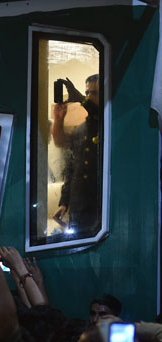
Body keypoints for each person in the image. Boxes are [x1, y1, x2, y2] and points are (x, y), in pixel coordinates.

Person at [52, 74, 101, 234]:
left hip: (100, 208)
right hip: (78, 206)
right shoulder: (80, 130)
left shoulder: (108, 125)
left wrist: (80, 98)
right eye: (87, 93)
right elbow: (71, 169)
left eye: (94, 93)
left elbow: (99, 114)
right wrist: (64, 203)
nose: (89, 97)